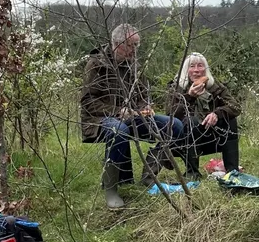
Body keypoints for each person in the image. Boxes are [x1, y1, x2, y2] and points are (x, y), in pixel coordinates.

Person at [80, 24, 184, 208]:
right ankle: (111, 190)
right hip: (99, 120)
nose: (135, 50)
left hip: (132, 117)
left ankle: (149, 175)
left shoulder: (134, 65)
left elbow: (142, 95)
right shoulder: (96, 64)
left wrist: (145, 106)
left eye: (137, 45)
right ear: (116, 43)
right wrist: (118, 111)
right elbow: (88, 102)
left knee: (173, 125)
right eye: (131, 45)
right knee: (118, 129)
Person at [165, 52, 241, 180]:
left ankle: (232, 172)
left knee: (230, 120)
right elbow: (171, 114)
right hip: (182, 141)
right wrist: (189, 97)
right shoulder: (176, 87)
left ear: (205, 69)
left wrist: (217, 113)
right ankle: (192, 173)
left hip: (210, 137)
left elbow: (235, 106)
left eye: (200, 66)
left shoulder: (214, 86)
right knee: (192, 121)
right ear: (186, 70)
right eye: (192, 66)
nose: (196, 70)